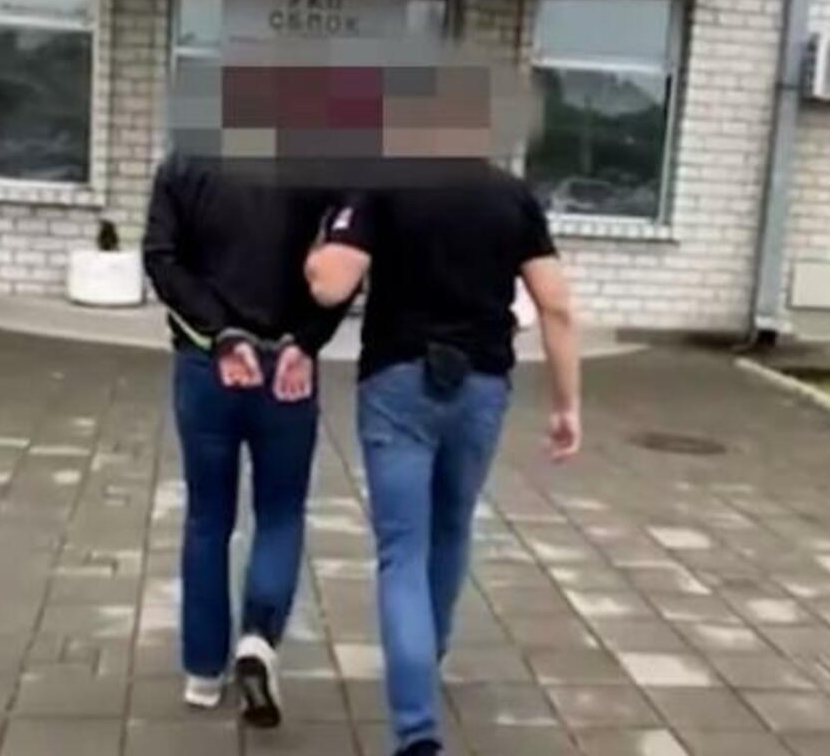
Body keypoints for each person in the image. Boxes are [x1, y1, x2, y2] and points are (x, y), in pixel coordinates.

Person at [304, 74, 581, 756]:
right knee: (451, 530)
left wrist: (315, 250)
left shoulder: (383, 184)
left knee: (402, 550)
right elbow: (556, 306)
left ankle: (416, 730)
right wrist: (567, 404)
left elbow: (332, 285)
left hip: (398, 382)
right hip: (481, 386)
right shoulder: (513, 197)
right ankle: (428, 655)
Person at [144, 149, 347, 727]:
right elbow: (343, 273)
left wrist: (221, 333)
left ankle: (204, 672)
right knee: (280, 513)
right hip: (288, 369)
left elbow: (160, 259)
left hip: (209, 365)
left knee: (208, 518)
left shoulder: (185, 164)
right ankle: (258, 640)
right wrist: (306, 341)